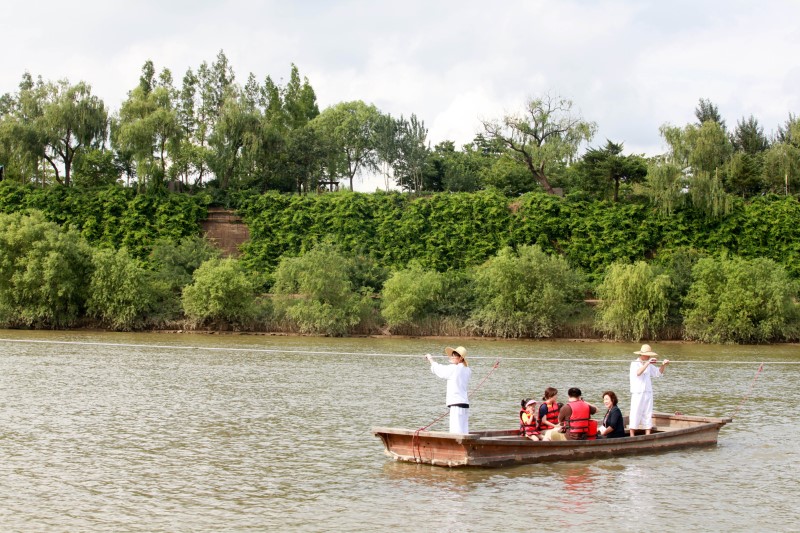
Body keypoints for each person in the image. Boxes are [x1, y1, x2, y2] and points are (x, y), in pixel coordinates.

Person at [425, 346, 472, 434]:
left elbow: (439, 369)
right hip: (464, 404)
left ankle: (457, 447)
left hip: (456, 405)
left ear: (461, 358)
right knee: (464, 431)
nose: (451, 357)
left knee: (456, 432)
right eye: (452, 355)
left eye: (454, 355)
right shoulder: (467, 369)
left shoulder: (454, 368)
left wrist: (430, 358)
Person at [629, 344, 670, 437]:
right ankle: (632, 435)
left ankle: (647, 434)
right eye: (647, 355)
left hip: (647, 392)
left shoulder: (649, 364)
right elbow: (638, 373)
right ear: (642, 354)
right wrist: (648, 363)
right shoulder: (634, 363)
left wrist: (663, 365)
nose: (648, 356)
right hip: (637, 392)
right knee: (635, 412)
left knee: (647, 413)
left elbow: (657, 373)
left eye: (649, 355)